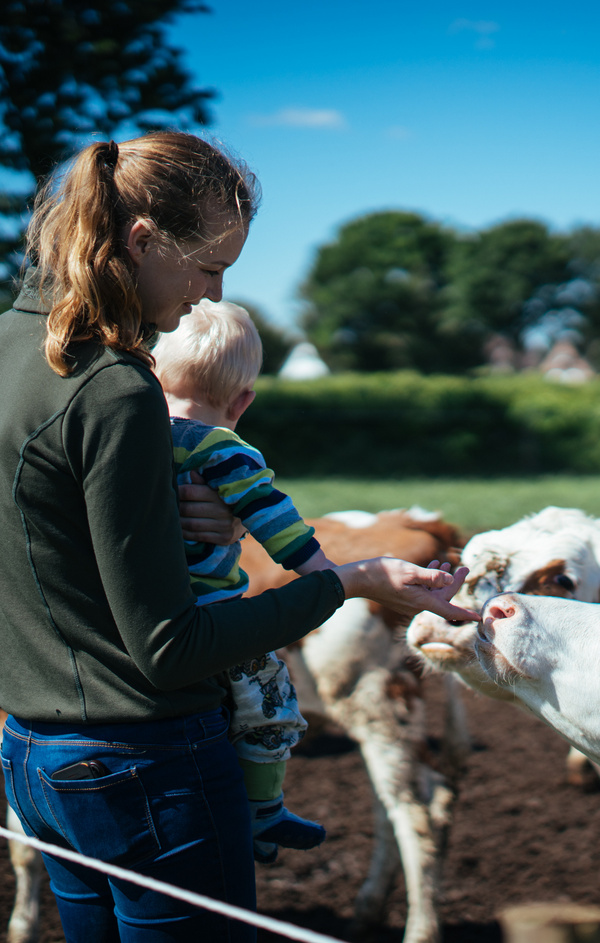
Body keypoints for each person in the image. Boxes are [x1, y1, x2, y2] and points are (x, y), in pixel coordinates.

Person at [0, 131, 479, 943]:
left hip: (31, 753)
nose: (212, 293)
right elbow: (170, 647)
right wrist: (348, 582)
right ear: (142, 241)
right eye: (210, 266)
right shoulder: (116, 389)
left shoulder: (15, 351)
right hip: (146, 763)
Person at [153, 298, 336, 864]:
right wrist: (327, 574)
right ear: (243, 401)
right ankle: (264, 810)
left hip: (145, 605)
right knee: (273, 702)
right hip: (215, 615)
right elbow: (272, 517)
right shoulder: (224, 450)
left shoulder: (134, 438)